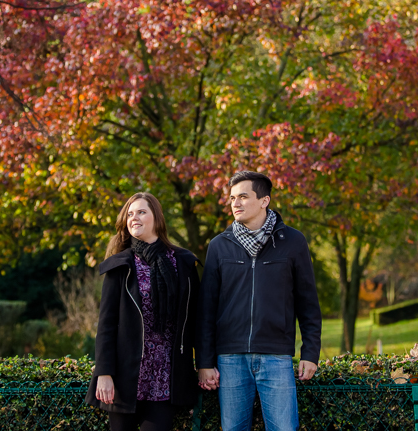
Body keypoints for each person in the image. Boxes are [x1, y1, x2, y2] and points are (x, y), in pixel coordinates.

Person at [196, 171, 322, 431]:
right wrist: (205, 362)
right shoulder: (219, 246)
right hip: (229, 358)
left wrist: (310, 353)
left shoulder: (293, 242)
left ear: (264, 200)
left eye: (243, 196)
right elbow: (206, 309)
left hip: (276, 356)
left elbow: (308, 303)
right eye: (232, 198)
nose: (235, 203)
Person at [86, 192, 201, 431]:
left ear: (156, 218)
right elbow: (106, 325)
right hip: (125, 377)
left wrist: (204, 364)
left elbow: (196, 321)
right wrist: (104, 373)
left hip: (166, 377)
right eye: (129, 214)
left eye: (141, 212)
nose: (133, 218)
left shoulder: (184, 263)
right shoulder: (120, 266)